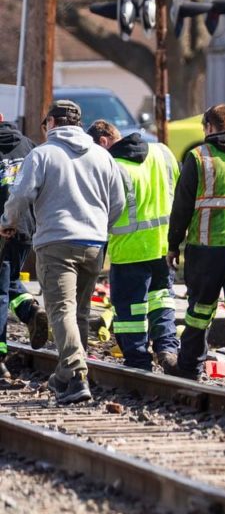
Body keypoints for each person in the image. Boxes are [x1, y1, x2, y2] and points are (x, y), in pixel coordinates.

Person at [0, 100, 124, 404]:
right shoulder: (102, 155)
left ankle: (77, 375)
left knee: (62, 311)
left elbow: (20, 195)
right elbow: (119, 201)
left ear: (52, 123)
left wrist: (7, 222)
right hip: (94, 245)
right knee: (78, 312)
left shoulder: (42, 154)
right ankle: (65, 377)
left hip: (56, 244)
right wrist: (99, 227)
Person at [166, 104, 225, 385]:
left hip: (205, 249)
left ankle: (189, 367)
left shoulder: (198, 157)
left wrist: (173, 245)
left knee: (199, 312)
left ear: (209, 127)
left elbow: (182, 206)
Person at [87, 120, 180, 373]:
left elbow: (102, 215)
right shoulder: (163, 153)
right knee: (162, 301)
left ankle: (138, 362)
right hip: (162, 248)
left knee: (130, 311)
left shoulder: (112, 167)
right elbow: (180, 194)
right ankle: (168, 350)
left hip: (128, 252)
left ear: (104, 141)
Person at [0, 113, 49, 380]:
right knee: (8, 279)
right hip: (26, 229)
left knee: (0, 291)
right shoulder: (29, 146)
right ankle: (30, 311)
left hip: (3, 227)